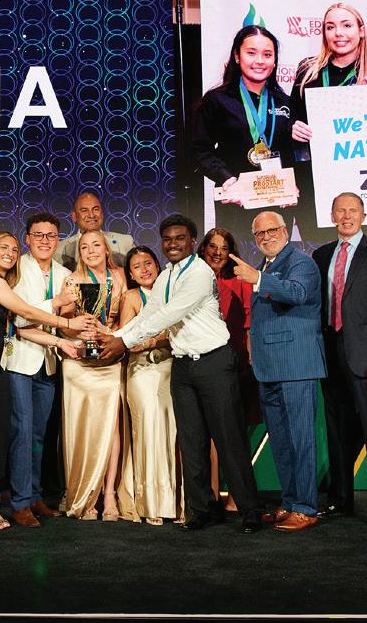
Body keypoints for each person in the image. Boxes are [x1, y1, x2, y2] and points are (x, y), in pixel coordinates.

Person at [97, 214, 264, 534]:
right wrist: (115, 337)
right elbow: (150, 312)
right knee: (191, 441)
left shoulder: (200, 273)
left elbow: (171, 314)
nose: (173, 244)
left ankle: (250, 510)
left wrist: (124, 342)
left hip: (214, 362)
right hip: (184, 366)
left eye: (180, 238)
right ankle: (203, 510)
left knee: (229, 440)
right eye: (168, 239)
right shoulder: (167, 275)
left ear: (192, 242)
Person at [0, 234, 98, 531]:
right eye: (3, 247)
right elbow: (26, 315)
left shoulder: (8, 281)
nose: (9, 252)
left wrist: (65, 338)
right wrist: (67, 322)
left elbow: (21, 321)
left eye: (13, 249)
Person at [229, 211, 326, 532]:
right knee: (282, 441)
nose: (266, 237)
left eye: (271, 230)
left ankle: (306, 508)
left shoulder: (301, 262)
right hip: (269, 367)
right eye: (259, 233)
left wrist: (257, 279)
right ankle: (290, 501)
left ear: (285, 231)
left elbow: (297, 293)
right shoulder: (265, 266)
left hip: (296, 365)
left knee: (301, 439)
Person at [312, 192, 367, 528]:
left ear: (363, 216)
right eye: (341, 211)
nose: (347, 216)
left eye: (353, 211)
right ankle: (340, 499)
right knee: (336, 432)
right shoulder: (321, 255)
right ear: (332, 216)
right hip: (329, 354)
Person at [2, 213, 79, 528]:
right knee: (21, 431)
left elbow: (65, 321)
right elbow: (21, 320)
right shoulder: (17, 269)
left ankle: (34, 495)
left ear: (58, 239)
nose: (45, 241)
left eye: (51, 235)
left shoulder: (65, 273)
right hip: (20, 360)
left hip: (47, 361)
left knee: (37, 434)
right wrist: (57, 303)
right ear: (27, 239)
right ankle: (19, 502)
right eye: (38, 235)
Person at [288, 3, 367, 242]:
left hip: (359, 181)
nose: (338, 33)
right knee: (317, 248)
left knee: (354, 250)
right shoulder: (308, 71)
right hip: (312, 181)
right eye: (330, 27)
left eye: (346, 25)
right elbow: (290, 116)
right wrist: (293, 127)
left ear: (361, 31)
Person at [191, 25, 296, 246]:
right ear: (237, 57)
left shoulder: (284, 102)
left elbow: (291, 153)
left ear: (274, 61)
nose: (259, 61)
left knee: (276, 261)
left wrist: (292, 185)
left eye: (267, 55)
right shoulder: (217, 100)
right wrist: (227, 179)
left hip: (276, 201)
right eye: (251, 53)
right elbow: (199, 150)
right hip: (235, 201)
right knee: (236, 260)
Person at [59, 230, 136, 522]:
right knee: (81, 427)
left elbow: (129, 317)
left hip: (110, 356)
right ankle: (84, 492)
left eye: (96, 245)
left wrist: (110, 333)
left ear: (106, 249)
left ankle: (110, 494)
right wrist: (79, 329)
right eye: (84, 247)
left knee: (111, 427)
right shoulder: (71, 280)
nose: (90, 250)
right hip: (79, 359)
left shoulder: (121, 277)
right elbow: (62, 324)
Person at [118, 245, 182, 525]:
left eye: (148, 263)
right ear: (131, 274)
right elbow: (126, 340)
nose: (144, 270)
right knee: (149, 430)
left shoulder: (174, 293)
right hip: (142, 371)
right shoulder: (132, 297)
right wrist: (152, 341)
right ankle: (151, 503)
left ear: (158, 265)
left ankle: (177, 504)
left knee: (174, 433)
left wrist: (155, 340)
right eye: (137, 266)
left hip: (172, 368)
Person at [199, 227, 259, 512]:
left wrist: (247, 362)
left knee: (234, 432)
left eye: (224, 248)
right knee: (208, 433)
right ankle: (211, 495)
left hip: (235, 363)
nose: (218, 252)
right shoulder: (192, 278)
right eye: (213, 246)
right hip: (201, 363)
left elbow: (248, 325)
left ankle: (237, 496)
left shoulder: (239, 280)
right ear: (203, 248)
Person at [55, 191, 135, 270]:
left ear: (102, 214)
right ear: (74, 216)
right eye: (84, 210)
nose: (91, 215)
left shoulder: (125, 242)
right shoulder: (59, 249)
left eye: (96, 209)